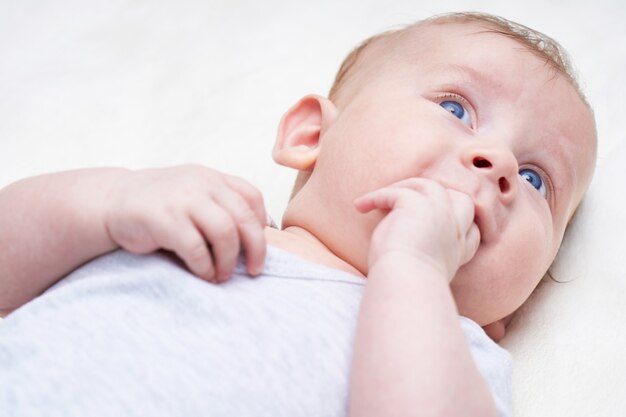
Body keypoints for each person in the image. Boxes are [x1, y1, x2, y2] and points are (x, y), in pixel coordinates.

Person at [0, 12, 596, 417]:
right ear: (312, 134)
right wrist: (107, 202)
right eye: (455, 107)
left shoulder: (460, 356)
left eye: (535, 178)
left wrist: (413, 270)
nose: (497, 163)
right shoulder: (191, 220)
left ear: (517, 306)